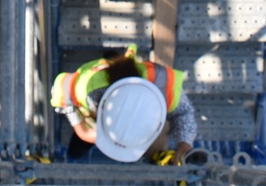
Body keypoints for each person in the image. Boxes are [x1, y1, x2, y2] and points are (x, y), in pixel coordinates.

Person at [52, 45, 198, 164]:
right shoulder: (85, 89)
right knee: (76, 151)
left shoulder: (163, 85)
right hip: (98, 82)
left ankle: (111, 57)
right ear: (101, 109)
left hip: (111, 80)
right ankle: (109, 58)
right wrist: (81, 130)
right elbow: (63, 89)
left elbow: (183, 112)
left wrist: (185, 142)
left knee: (112, 58)